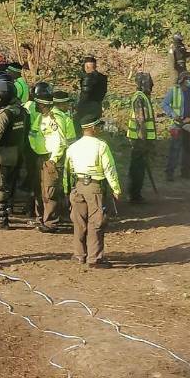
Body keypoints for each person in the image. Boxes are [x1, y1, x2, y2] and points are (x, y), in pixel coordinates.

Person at [64, 103, 121, 269]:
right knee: (96, 223)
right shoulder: (101, 146)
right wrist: (116, 189)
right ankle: (94, 258)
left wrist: (68, 189)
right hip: (95, 187)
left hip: (78, 186)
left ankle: (79, 255)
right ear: (93, 128)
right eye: (99, 126)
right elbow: (109, 169)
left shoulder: (73, 147)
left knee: (79, 222)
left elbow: (67, 171)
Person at [0, 76, 29, 229]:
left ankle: (1, 220)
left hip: (0, 156)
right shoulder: (22, 111)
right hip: (16, 153)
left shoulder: (4, 114)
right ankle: (7, 213)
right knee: (9, 185)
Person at [28, 82, 66, 232]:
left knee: (50, 191)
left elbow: (60, 142)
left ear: (41, 103)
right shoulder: (40, 117)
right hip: (40, 157)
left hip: (51, 159)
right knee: (40, 190)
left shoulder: (54, 118)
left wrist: (53, 160)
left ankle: (51, 223)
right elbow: (34, 135)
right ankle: (41, 219)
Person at [162, 71, 190, 181]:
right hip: (178, 125)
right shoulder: (174, 91)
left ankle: (186, 172)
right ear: (182, 81)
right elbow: (165, 104)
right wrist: (173, 115)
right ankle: (169, 173)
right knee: (175, 149)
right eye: (188, 79)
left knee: (189, 149)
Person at [126, 72, 157, 202]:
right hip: (139, 140)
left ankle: (135, 193)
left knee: (139, 167)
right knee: (137, 169)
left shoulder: (142, 97)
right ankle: (134, 195)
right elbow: (141, 122)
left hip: (140, 140)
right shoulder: (140, 98)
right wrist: (144, 141)